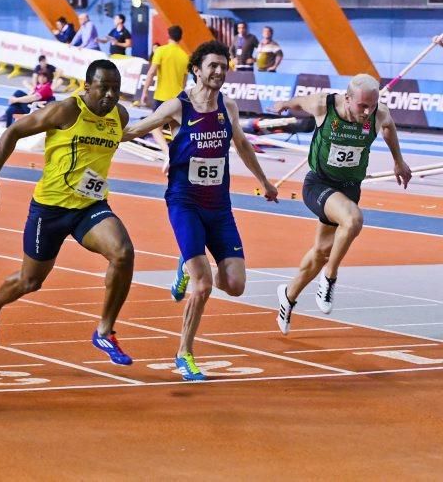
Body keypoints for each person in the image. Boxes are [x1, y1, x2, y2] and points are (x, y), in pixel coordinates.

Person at [122, 40, 279, 380]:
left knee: (235, 284)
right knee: (204, 284)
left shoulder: (228, 106)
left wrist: (265, 182)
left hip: (219, 207)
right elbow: (138, 128)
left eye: (224, 66)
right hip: (185, 203)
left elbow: (241, 144)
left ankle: (184, 266)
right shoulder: (177, 107)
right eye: (213, 66)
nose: (219, 72)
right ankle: (184, 354)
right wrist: (100, 132)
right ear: (197, 69)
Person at [0, 59, 135, 365]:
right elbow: (13, 132)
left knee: (123, 253)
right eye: (104, 87)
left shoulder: (120, 115)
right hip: (50, 209)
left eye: (116, 89)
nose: (111, 95)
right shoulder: (66, 111)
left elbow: (123, 133)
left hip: (90, 206)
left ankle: (105, 330)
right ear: (87, 86)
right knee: (30, 281)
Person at [272, 74, 411, 335]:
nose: (367, 111)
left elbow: (389, 127)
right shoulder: (324, 105)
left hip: (349, 189)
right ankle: (330, 277)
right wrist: (285, 104)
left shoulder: (377, 113)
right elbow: (301, 101)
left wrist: (398, 161)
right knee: (353, 219)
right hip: (319, 184)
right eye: (362, 106)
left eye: (372, 105)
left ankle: (288, 296)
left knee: (321, 251)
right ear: (347, 99)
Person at [140, 26, 189, 110]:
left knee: (157, 123)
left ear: (168, 36)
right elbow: (184, 81)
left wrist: (145, 91)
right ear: (181, 38)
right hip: (177, 100)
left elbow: (151, 73)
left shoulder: (160, 51)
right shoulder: (185, 56)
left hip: (161, 97)